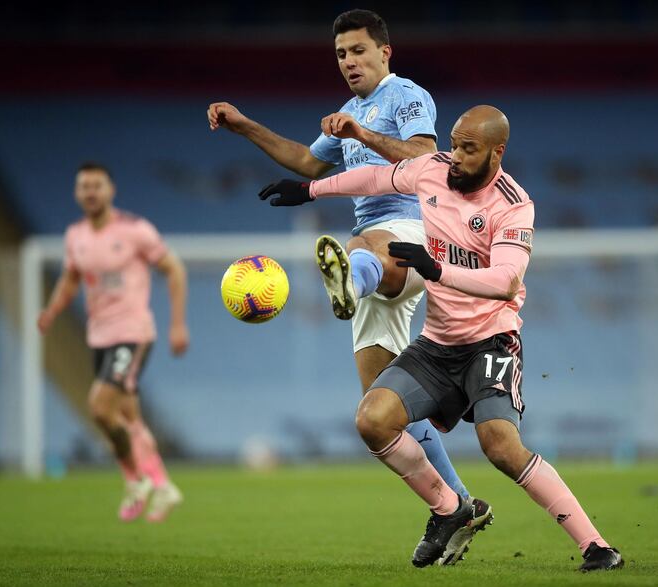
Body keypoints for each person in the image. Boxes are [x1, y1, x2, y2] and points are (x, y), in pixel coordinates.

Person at [258, 105, 625, 571]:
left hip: (491, 342)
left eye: (469, 149)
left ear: (497, 152)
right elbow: (374, 180)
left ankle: (595, 545)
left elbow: (506, 281)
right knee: (373, 419)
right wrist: (311, 189)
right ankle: (449, 508)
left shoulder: (513, 204)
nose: (456, 157)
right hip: (437, 343)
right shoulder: (432, 170)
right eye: (454, 144)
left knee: (501, 447)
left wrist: (435, 269)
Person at [207, 8, 491, 560]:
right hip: (374, 243)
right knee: (380, 414)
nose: (349, 62)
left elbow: (427, 158)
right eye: (341, 54)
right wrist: (245, 126)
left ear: (385, 51)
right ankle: (455, 506)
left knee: (363, 246)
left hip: (419, 232)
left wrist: (362, 133)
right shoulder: (348, 113)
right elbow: (307, 164)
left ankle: (352, 278)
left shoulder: (406, 96)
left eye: (359, 50)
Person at [38, 162, 188, 523]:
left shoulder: (135, 230)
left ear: (110, 190)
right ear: (77, 193)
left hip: (133, 333)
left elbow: (174, 269)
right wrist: (52, 310)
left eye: (97, 185)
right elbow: (72, 279)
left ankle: (134, 479)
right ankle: (163, 487)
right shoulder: (76, 236)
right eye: (84, 186)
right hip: (99, 335)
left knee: (100, 408)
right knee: (127, 418)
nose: (90, 192)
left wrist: (178, 325)